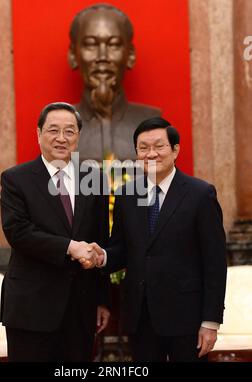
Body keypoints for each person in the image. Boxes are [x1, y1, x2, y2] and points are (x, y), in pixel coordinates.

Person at [90, 117, 227, 362]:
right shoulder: (126, 194)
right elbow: (122, 248)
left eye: (159, 146)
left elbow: (215, 262)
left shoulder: (200, 194)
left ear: (175, 150)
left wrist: (210, 321)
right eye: (143, 148)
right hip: (140, 316)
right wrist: (102, 257)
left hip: (188, 317)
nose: (151, 153)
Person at [0, 102, 110, 362]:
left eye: (70, 131)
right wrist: (70, 247)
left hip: (80, 308)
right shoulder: (16, 179)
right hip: (31, 307)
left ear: (78, 137)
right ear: (39, 134)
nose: (62, 138)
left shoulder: (94, 178)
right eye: (53, 130)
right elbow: (18, 232)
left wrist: (102, 300)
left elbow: (100, 240)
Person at [68, 3, 160, 161]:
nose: (102, 56)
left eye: (114, 45)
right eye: (91, 44)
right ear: (73, 55)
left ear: (130, 55)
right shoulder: (57, 128)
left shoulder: (151, 121)